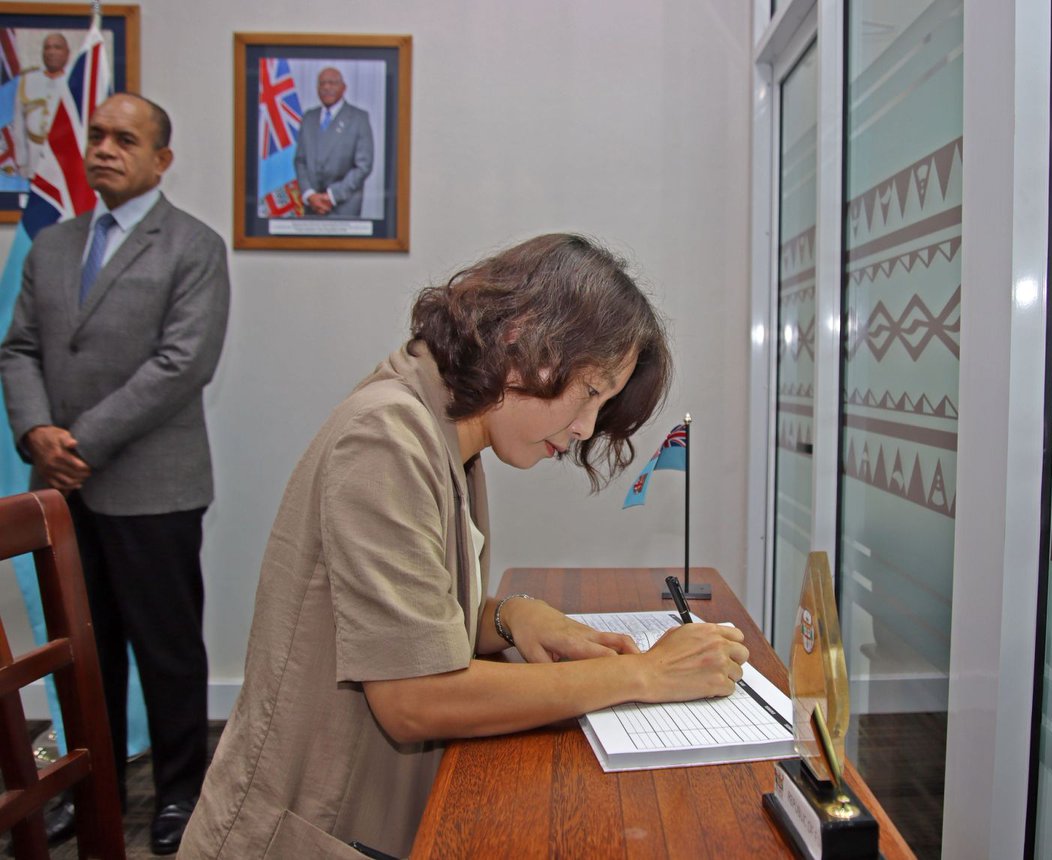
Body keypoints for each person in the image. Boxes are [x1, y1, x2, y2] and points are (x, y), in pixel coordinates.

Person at [179, 234, 748, 859]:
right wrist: (641, 673)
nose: (586, 428)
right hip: (299, 832)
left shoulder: (450, 436)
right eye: (590, 393)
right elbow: (414, 697)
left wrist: (508, 617)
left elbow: (405, 621)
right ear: (522, 336)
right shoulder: (387, 437)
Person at [0, 93, 231, 855]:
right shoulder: (53, 244)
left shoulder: (192, 246)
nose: (103, 148)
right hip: (61, 493)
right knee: (81, 650)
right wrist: (37, 433)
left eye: (124, 139)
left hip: (153, 487)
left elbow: (182, 364)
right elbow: (20, 348)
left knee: (165, 648)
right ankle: (81, 785)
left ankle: (178, 793)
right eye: (96, 135)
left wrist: (78, 441)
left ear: (161, 159)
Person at [292, 66, 373, 217]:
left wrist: (331, 196)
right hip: (312, 208)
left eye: (332, 83)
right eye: (322, 83)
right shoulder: (309, 118)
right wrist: (310, 195)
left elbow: (363, 166)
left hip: (343, 208)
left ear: (343, 88)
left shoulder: (359, 118)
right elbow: (300, 161)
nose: (326, 87)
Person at [7, 32, 70, 179]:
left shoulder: (75, 82)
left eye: (57, 47)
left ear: (67, 53)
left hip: (64, 163)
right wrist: (22, 161)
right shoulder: (28, 80)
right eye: (47, 48)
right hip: (33, 162)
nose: (51, 52)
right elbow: (19, 124)